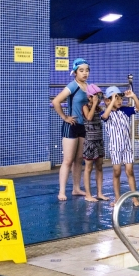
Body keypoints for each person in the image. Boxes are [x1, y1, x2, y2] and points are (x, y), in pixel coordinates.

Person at [52, 58, 90, 201]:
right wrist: (65, 117)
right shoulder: (72, 86)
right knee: (68, 160)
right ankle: (62, 191)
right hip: (71, 126)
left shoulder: (88, 86)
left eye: (87, 70)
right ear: (75, 72)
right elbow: (56, 101)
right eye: (81, 70)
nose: (85, 73)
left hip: (82, 126)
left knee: (79, 159)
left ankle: (76, 188)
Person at [101, 86, 139, 207]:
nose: (119, 101)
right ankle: (117, 198)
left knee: (130, 171)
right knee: (117, 172)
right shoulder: (105, 113)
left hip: (127, 146)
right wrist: (111, 102)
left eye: (120, 98)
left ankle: (135, 198)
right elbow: (104, 117)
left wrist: (133, 96)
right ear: (107, 101)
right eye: (115, 98)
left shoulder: (125, 110)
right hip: (115, 148)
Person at [82, 84, 108, 202]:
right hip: (90, 142)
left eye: (100, 96)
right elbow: (89, 117)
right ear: (90, 97)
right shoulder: (85, 107)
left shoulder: (100, 109)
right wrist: (93, 105)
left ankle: (99, 193)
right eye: (96, 96)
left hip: (99, 141)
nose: (98, 98)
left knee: (99, 167)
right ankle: (88, 194)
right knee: (88, 168)